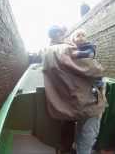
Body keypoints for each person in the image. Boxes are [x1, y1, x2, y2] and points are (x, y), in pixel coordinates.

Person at [43, 25, 107, 154]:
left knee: (75, 134)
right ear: (58, 34)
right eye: (62, 32)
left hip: (63, 103)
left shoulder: (46, 52)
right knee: (87, 136)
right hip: (85, 103)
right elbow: (94, 68)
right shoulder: (65, 49)